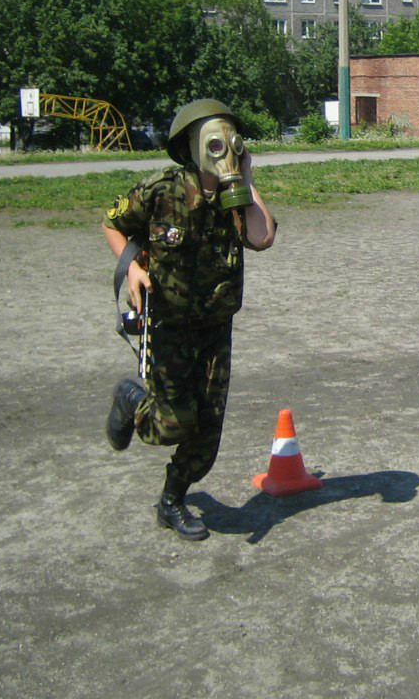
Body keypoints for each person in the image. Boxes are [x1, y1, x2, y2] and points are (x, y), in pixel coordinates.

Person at [102, 99, 276, 540]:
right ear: (193, 146)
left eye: (233, 143)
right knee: (171, 424)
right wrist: (134, 269)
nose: (226, 152)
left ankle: (172, 501)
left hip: (215, 328)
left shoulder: (235, 200)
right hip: (169, 326)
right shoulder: (162, 190)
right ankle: (131, 400)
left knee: (206, 434)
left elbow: (263, 236)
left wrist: (245, 179)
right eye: (217, 144)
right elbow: (112, 222)